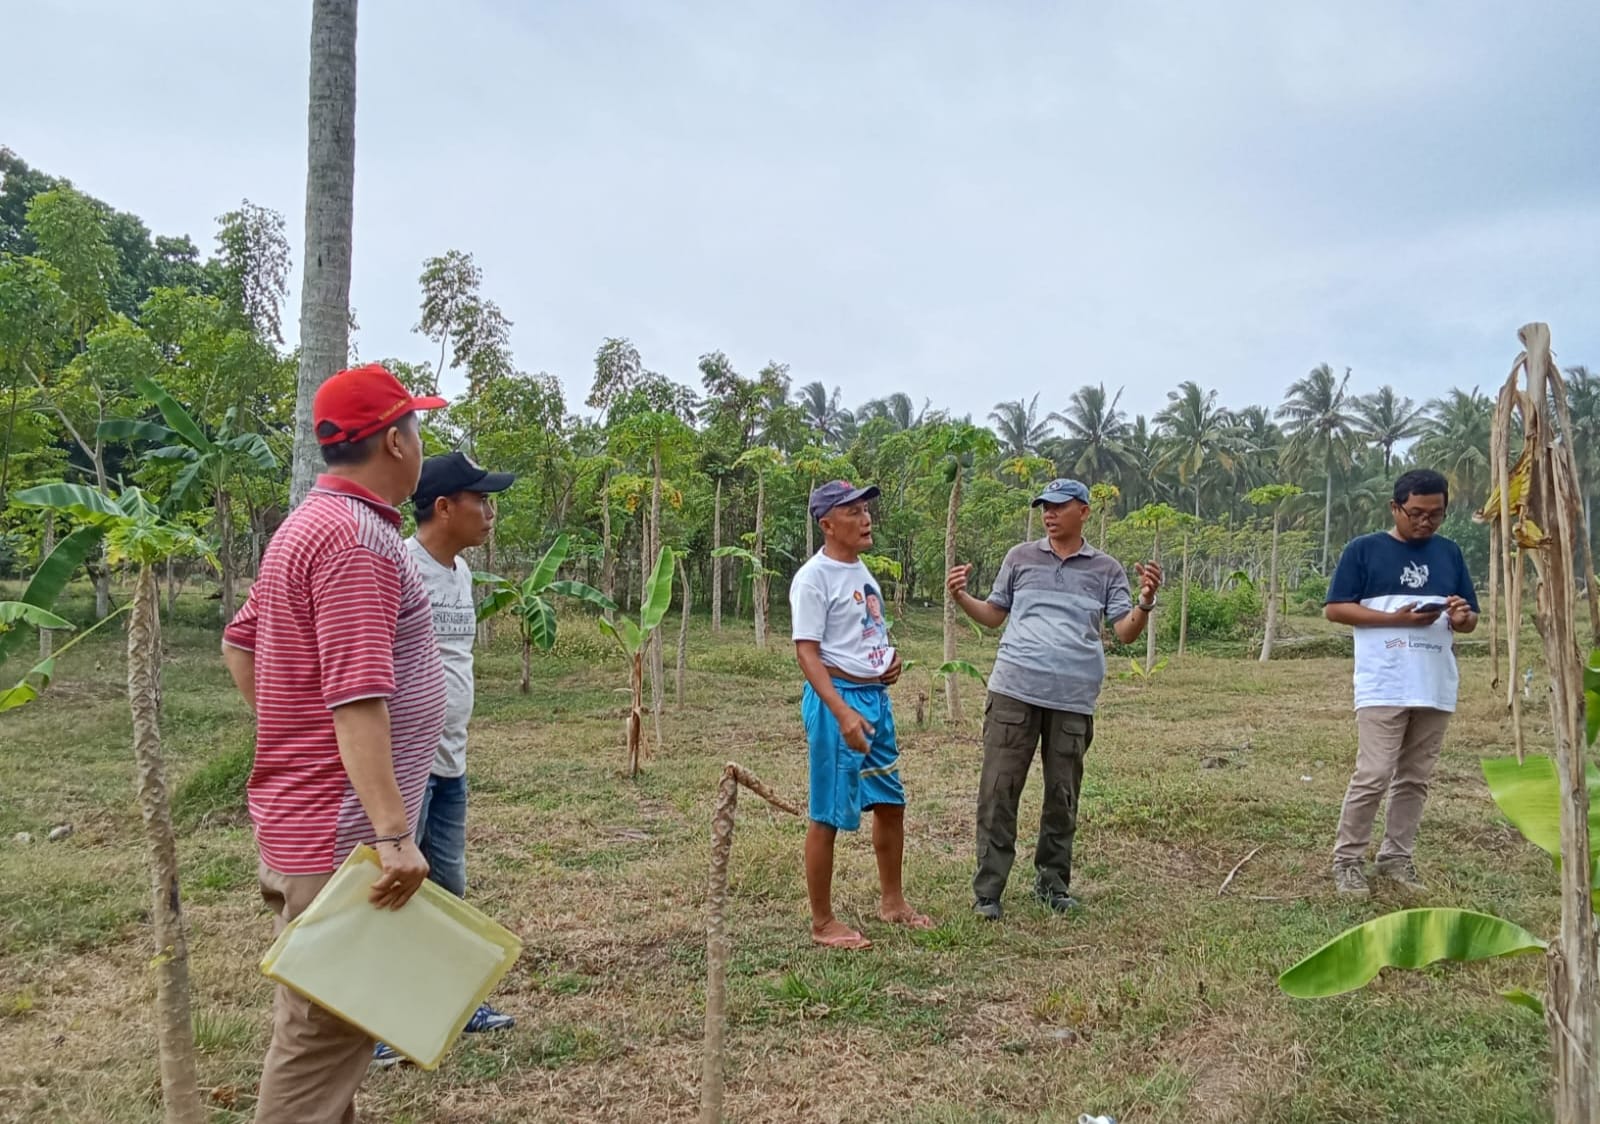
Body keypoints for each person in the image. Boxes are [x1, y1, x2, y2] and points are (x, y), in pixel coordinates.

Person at [221, 363, 448, 1124]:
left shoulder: (308, 525)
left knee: (331, 1023)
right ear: (394, 440)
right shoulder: (358, 544)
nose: (421, 442)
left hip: (310, 820)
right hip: (342, 837)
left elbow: (239, 642)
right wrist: (392, 836)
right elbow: (358, 700)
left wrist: (292, 730)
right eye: (417, 427)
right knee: (320, 1038)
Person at [948, 477, 1161, 920]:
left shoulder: (1105, 569)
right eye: (1044, 506)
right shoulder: (1020, 557)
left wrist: (1144, 603)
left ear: (1083, 511)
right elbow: (993, 616)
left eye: (1059, 506)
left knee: (1062, 794)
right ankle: (988, 892)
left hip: (1073, 697)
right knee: (998, 791)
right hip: (1013, 689)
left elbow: (1124, 631)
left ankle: (1053, 884)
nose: (1049, 513)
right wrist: (962, 596)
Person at [368, 451, 518, 1067]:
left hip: (450, 757)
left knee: (448, 886)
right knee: (396, 887)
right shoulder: (399, 565)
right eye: (480, 501)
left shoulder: (457, 573)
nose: (490, 512)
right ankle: (380, 1017)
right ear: (443, 507)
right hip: (407, 764)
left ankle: (454, 1000)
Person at [790, 480, 931, 949]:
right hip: (839, 703)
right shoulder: (814, 578)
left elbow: (864, 632)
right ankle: (822, 922)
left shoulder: (861, 571)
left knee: (891, 803)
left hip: (874, 700)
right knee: (828, 812)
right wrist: (842, 712)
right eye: (852, 512)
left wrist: (887, 662)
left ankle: (892, 902)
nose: (865, 518)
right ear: (827, 524)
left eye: (866, 509)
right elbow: (807, 654)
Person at [1325, 468, 1478, 897]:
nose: (1426, 522)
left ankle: (1396, 857)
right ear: (1396, 508)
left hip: (1433, 682)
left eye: (1436, 514)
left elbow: (1468, 619)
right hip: (1384, 682)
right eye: (1416, 513)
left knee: (1414, 778)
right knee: (1373, 773)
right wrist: (1396, 620)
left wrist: (1463, 618)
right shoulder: (1364, 551)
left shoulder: (1450, 554)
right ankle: (1348, 860)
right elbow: (1336, 609)